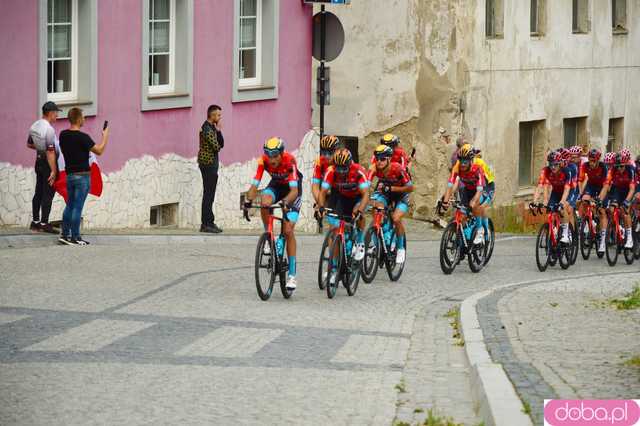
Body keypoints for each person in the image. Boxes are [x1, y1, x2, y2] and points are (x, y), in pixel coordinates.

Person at [245, 137, 302, 290]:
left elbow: (294, 191)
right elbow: (255, 183)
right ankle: (269, 235)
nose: (272, 159)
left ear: (281, 154)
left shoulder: (290, 161)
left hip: (292, 190)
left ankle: (292, 275)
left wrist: (285, 203)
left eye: (275, 155)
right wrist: (247, 201)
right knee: (265, 202)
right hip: (276, 185)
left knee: (288, 230)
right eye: (269, 155)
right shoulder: (263, 161)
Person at [58, 108, 109, 245]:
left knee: (70, 205)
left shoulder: (63, 135)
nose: (85, 119)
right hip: (83, 176)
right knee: (77, 207)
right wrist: (105, 136)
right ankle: (75, 237)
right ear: (79, 119)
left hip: (70, 176)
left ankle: (64, 234)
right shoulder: (83, 137)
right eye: (84, 117)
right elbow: (99, 151)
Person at [318, 149, 370, 284]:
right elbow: (323, 192)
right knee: (335, 229)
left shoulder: (358, 171)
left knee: (358, 214)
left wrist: (359, 210)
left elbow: (365, 195)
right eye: (338, 168)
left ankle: (359, 242)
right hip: (341, 197)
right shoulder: (331, 171)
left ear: (350, 163)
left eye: (344, 168)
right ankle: (334, 268)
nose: (341, 171)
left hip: (358, 197)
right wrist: (321, 208)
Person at [369, 145, 414, 264]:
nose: (379, 161)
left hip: (401, 195)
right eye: (377, 158)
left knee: (396, 218)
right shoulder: (374, 168)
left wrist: (392, 188)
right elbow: (366, 183)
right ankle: (378, 243)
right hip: (386, 194)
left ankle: (400, 248)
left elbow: (410, 188)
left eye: (382, 159)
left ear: (389, 159)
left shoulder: (398, 168)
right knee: (376, 210)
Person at [442, 144, 489, 245]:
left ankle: (480, 230)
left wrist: (474, 200)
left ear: (471, 160)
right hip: (468, 190)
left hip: (481, 190)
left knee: (475, 204)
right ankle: (464, 241)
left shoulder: (477, 168)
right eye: (461, 160)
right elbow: (450, 185)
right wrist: (445, 201)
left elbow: (480, 189)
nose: (463, 164)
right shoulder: (457, 167)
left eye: (466, 161)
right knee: (462, 215)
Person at [27, 101, 60, 233]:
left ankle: (35, 222)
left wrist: (41, 147)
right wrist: (54, 170)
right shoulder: (49, 129)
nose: (57, 116)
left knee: (38, 191)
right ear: (51, 113)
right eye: (56, 113)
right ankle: (44, 223)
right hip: (47, 163)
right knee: (48, 193)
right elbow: (51, 152)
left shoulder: (34, 125)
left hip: (38, 161)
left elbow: (29, 144)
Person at [531, 151, 573, 244]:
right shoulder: (545, 170)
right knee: (550, 211)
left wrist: (562, 202)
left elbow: (567, 189)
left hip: (568, 191)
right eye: (551, 164)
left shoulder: (566, 171)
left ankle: (566, 234)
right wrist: (534, 202)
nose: (553, 167)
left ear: (560, 164)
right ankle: (554, 230)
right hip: (556, 191)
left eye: (555, 164)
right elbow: (540, 186)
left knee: (562, 208)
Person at [598, 153, 635, 252]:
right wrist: (600, 199)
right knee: (611, 209)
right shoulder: (612, 170)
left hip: (629, 190)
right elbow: (606, 186)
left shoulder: (630, 170)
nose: (619, 169)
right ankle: (619, 228)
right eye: (617, 166)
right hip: (618, 190)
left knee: (625, 210)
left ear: (625, 164)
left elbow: (632, 189)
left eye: (622, 166)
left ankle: (630, 238)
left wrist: (627, 201)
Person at [198, 105, 224, 233]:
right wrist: (218, 130)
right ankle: (206, 224)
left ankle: (210, 222)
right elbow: (217, 147)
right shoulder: (207, 129)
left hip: (211, 164)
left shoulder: (212, 128)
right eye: (218, 115)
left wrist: (218, 131)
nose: (220, 117)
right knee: (208, 195)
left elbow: (222, 144)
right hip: (208, 165)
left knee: (210, 194)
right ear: (212, 115)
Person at [311, 135, 340, 220]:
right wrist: (320, 203)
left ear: (337, 151)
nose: (327, 156)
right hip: (327, 190)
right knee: (332, 223)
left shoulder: (342, 161)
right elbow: (315, 186)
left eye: (330, 153)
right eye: (324, 152)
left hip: (343, 190)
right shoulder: (319, 161)